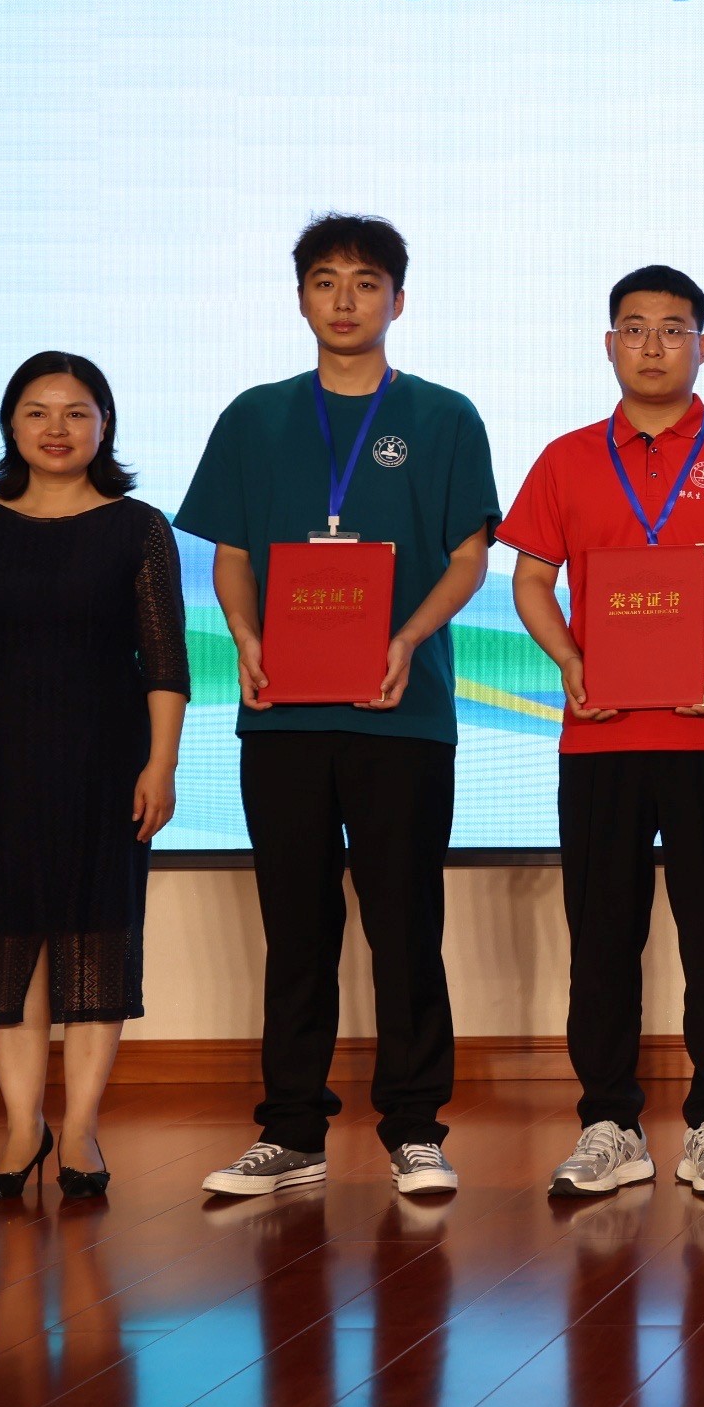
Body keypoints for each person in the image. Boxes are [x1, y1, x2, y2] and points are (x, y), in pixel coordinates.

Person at [181, 216, 500, 1199]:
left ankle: (414, 1128)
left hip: (402, 710)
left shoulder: (444, 416)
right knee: (296, 927)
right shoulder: (254, 417)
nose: (346, 299)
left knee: (405, 925)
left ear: (398, 299)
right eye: (325, 281)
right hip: (282, 713)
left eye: (366, 282)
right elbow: (233, 554)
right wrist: (245, 637)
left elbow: (468, 556)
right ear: (301, 299)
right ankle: (291, 1131)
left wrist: (407, 639)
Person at [501, 266, 704, 1202]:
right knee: (601, 934)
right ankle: (609, 1122)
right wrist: (569, 658)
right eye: (634, 328)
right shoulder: (565, 458)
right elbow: (530, 579)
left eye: (673, 329)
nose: (652, 346)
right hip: (598, 734)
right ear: (609, 344)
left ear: (702, 345)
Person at [0, 352, 189, 1202]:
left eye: (77, 411)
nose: (57, 428)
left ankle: (79, 1130)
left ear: (105, 425)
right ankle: (20, 1127)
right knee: (5, 941)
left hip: (106, 762)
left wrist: (161, 763)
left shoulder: (139, 528)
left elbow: (165, 661)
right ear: (11, 424)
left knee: (95, 937)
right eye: (37, 411)